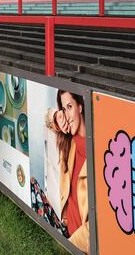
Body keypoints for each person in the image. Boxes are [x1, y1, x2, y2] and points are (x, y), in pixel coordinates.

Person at [44, 90, 89, 252]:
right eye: (64, 109)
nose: (67, 115)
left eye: (70, 107)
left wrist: (68, 245)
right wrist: (57, 116)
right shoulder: (69, 139)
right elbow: (46, 118)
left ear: (81, 106)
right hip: (64, 228)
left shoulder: (97, 148)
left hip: (79, 240)